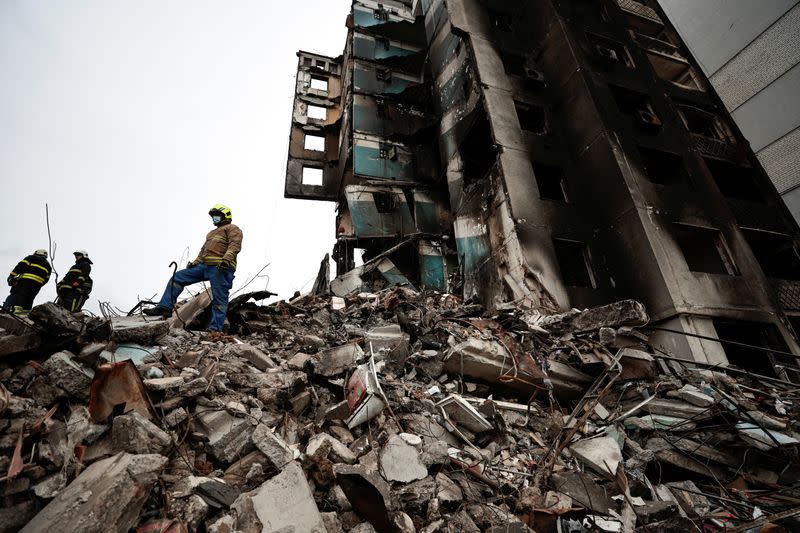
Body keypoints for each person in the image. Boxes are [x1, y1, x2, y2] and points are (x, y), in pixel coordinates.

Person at [144, 204, 243, 332]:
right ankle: (164, 307)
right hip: (205, 266)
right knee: (178, 277)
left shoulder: (232, 228)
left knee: (219, 298)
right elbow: (204, 251)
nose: (214, 218)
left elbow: (235, 245)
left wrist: (227, 259)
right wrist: (195, 262)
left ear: (225, 216)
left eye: (217, 216)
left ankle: (215, 329)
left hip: (221, 267)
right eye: (213, 216)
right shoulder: (211, 234)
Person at [3, 249, 52, 315]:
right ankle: (25, 312)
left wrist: (12, 275)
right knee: (30, 297)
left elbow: (21, 266)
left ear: (37, 253)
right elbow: (46, 279)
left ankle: (15, 309)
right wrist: (39, 284)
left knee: (20, 294)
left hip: (25, 281)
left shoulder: (31, 258)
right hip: (37, 285)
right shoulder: (48, 266)